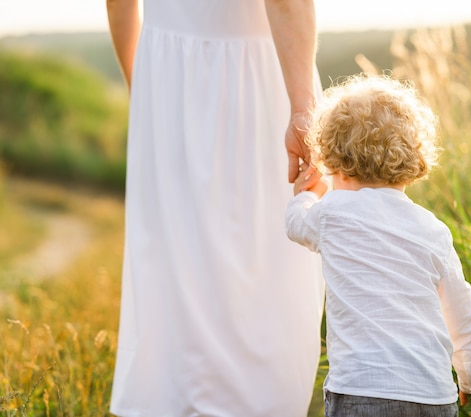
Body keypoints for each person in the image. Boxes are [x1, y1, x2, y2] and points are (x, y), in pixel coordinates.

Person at [106, 0, 325, 416]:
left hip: (168, 77)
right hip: (258, 77)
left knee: (176, 259)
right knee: (266, 260)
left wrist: (147, 90)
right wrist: (302, 107)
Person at [286, 74, 471, 417]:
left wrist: (306, 195)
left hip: (360, 391)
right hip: (432, 394)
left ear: (334, 161)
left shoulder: (332, 214)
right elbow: (462, 318)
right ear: (412, 158)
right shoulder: (433, 230)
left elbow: (295, 224)